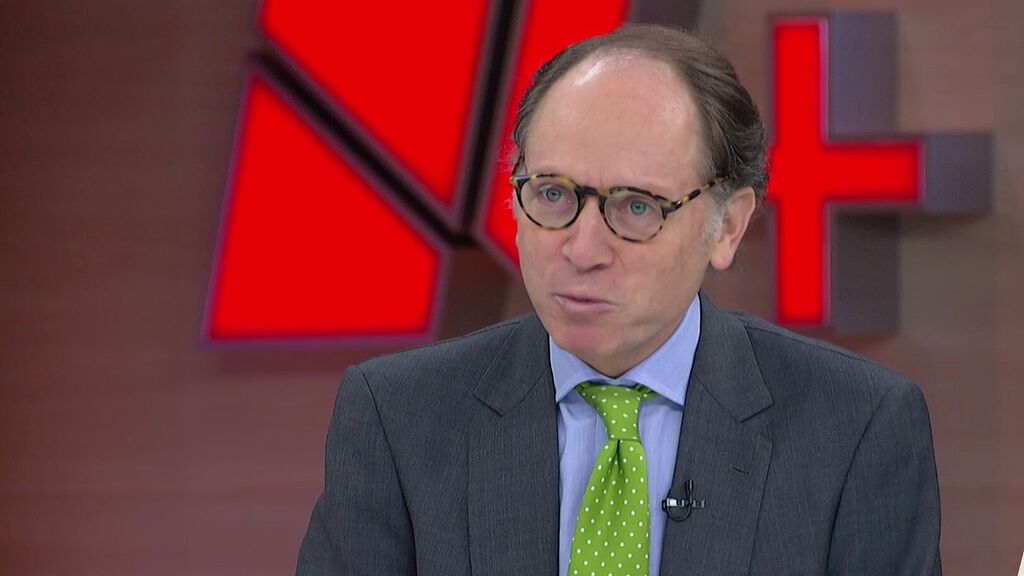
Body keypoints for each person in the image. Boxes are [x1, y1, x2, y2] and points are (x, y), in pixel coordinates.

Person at [296, 24, 941, 576]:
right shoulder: (399, 418)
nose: (582, 249)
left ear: (728, 225)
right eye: (553, 194)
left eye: (636, 207)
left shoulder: (856, 428)